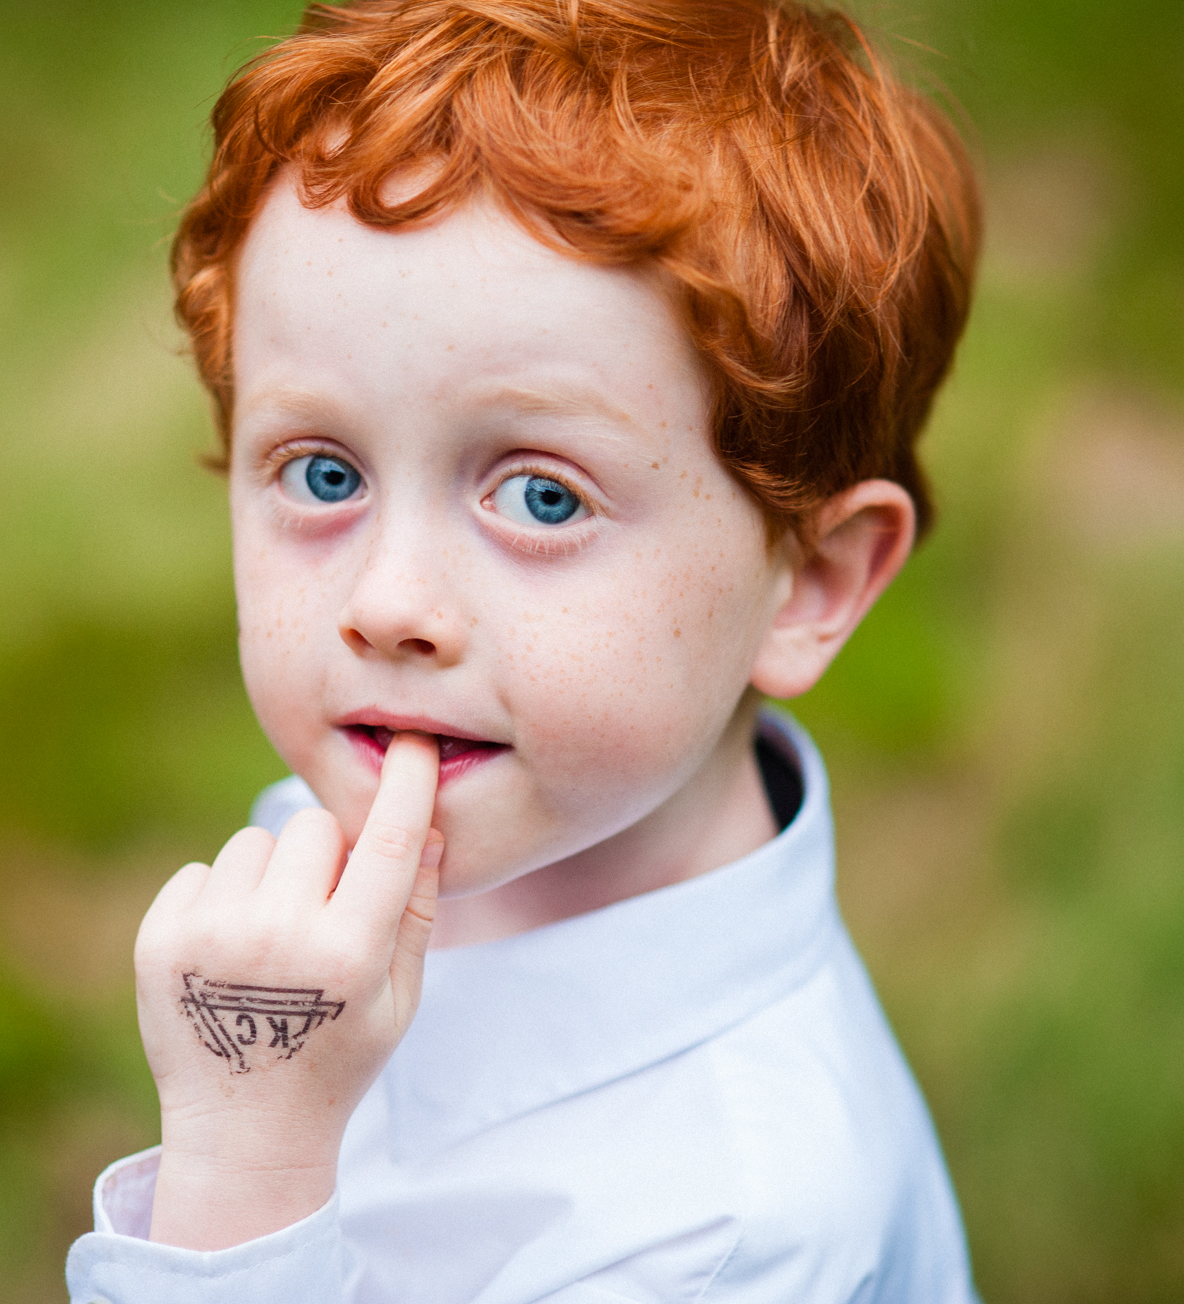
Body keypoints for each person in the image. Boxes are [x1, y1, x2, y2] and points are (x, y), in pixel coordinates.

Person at [69, 0, 981, 1298]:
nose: (388, 605)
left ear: (807, 583)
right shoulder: (469, 784)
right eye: (323, 471)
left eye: (543, 496)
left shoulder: (727, 1234)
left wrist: (246, 1176)